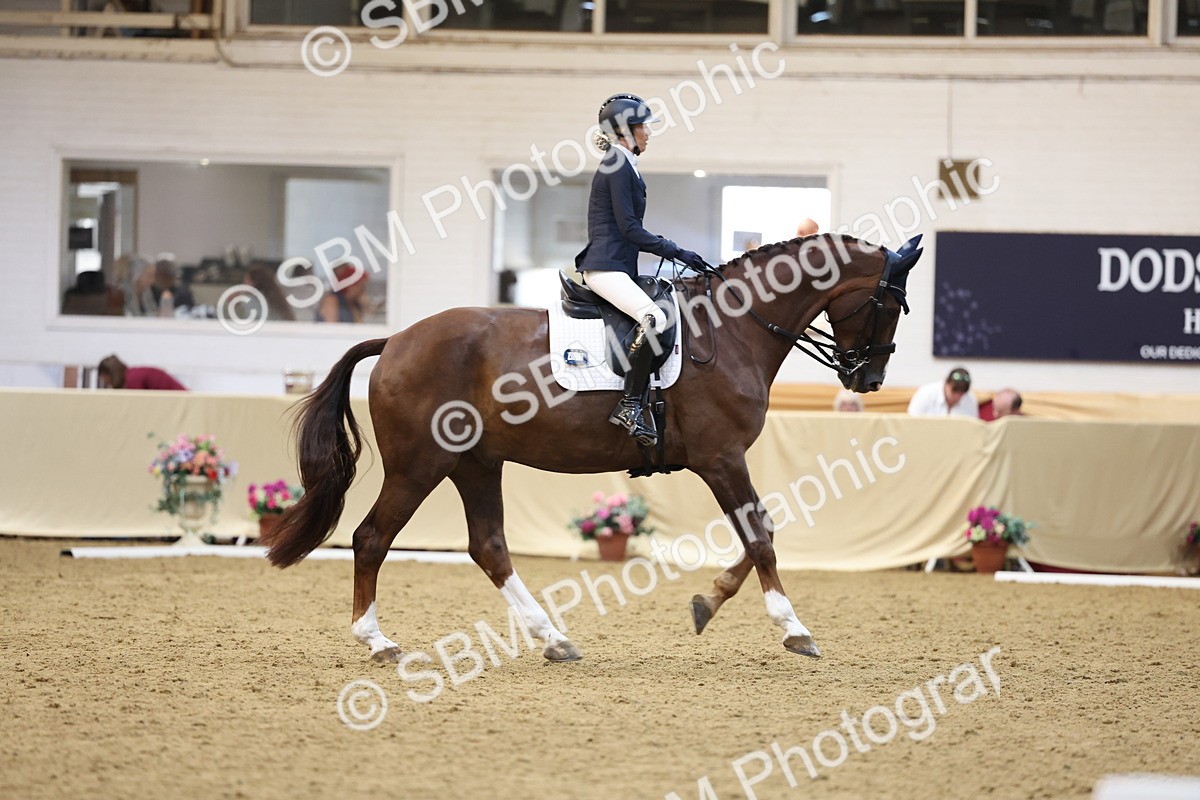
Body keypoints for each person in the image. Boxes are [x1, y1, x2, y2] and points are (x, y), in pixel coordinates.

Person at [574, 92, 706, 446]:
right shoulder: (616, 165)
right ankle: (630, 404)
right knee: (655, 318)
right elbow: (630, 229)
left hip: (618, 265)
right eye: (643, 126)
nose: (649, 133)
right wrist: (677, 251)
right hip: (605, 267)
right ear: (625, 131)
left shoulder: (624, 163)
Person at [906, 366, 978, 417]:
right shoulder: (926, 393)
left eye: (962, 393)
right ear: (946, 383)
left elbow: (972, 429)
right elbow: (912, 421)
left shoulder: (970, 400)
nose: (957, 396)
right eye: (954, 391)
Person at [97, 354, 187, 391]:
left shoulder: (132, 380)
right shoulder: (132, 375)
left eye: (106, 381)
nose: (107, 384)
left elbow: (138, 405)